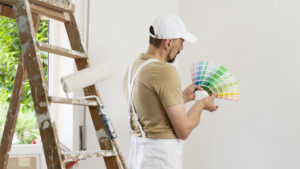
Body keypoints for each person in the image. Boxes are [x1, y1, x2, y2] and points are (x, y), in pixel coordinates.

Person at [123, 14, 218, 169]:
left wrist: (181, 97)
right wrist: (201, 105)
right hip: (160, 159)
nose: (182, 48)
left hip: (138, 157)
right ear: (168, 43)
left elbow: (150, 109)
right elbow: (184, 130)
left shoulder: (134, 66)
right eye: (181, 42)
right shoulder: (165, 71)